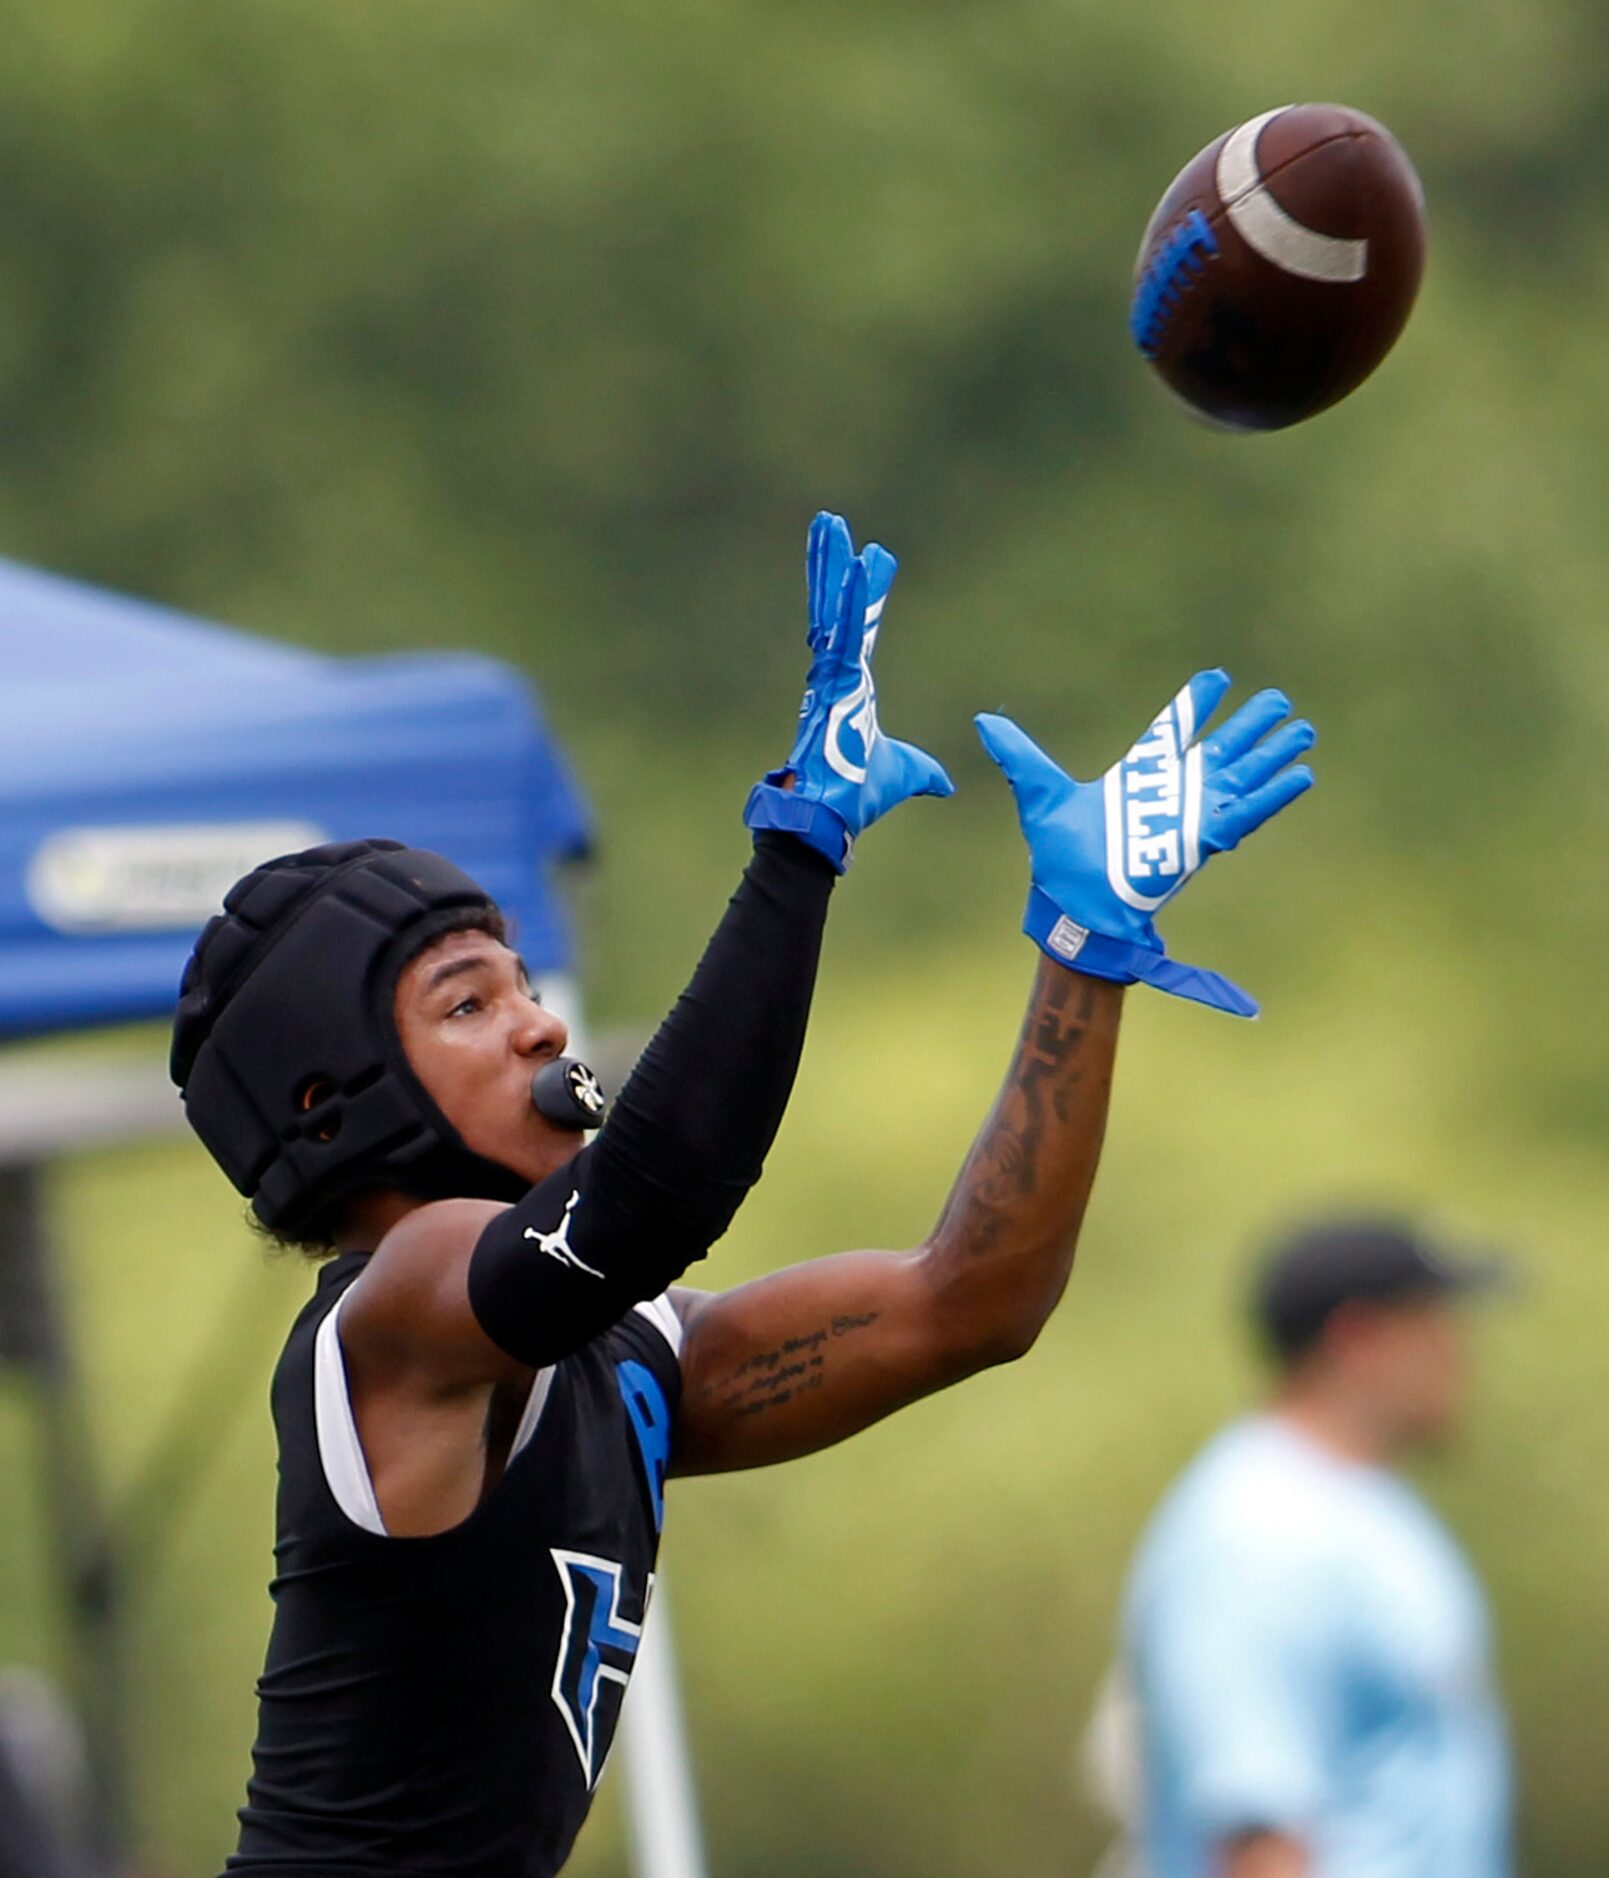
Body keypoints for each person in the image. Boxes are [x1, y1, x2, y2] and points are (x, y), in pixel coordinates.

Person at [170, 511, 1314, 1877]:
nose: (540, 1027)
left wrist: (1084, 951)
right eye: (469, 1001)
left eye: (525, 983)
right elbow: (655, 1191)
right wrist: (800, 840)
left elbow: (970, 1301)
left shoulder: (628, 1352)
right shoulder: (395, 1311)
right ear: (331, 1100)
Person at [1119, 1214, 1514, 1878]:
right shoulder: (1255, 1533)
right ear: (1358, 1339)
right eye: (1433, 1321)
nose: (1459, 1350)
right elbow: (1258, 1831)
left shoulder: (1369, 1511)